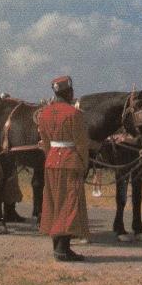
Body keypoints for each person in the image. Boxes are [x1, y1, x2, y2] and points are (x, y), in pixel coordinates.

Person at [37, 76, 90, 262]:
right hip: (70, 162)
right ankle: (63, 249)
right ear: (69, 92)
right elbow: (81, 143)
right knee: (69, 204)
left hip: (51, 161)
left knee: (54, 203)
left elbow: (45, 142)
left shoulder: (44, 113)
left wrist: (50, 156)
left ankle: (57, 246)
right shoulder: (74, 114)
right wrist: (84, 162)